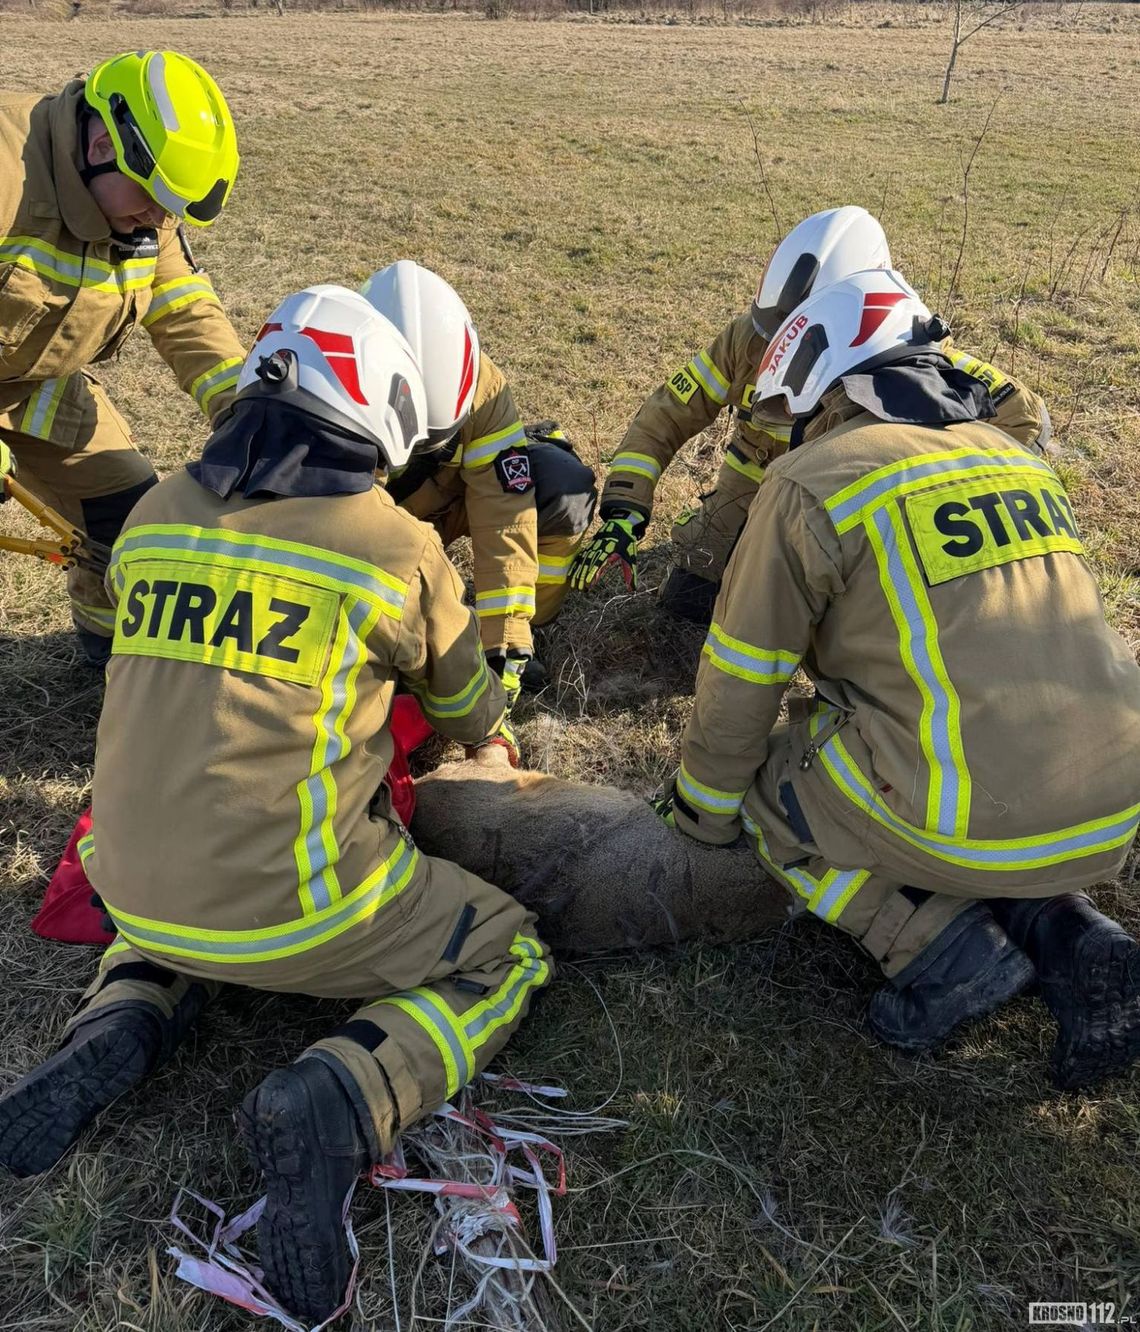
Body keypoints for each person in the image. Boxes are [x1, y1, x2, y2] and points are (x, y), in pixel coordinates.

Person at [0, 286, 551, 1325]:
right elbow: (468, 709)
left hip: (126, 889)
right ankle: (347, 1093)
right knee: (507, 952)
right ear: (380, 411)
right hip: (305, 912)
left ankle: (123, 1012)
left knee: (173, 886)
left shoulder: (155, 511)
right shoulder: (396, 547)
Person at [653, 267, 1140, 1089]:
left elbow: (744, 673)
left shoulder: (815, 482)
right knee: (977, 773)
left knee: (775, 783)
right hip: (1111, 810)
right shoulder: (1014, 456)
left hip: (965, 812)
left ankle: (942, 952)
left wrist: (702, 808)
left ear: (821, 384)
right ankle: (1072, 930)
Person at [569, 207, 1052, 624]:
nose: (777, 346)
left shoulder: (912, 356)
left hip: (841, 527)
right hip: (747, 499)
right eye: (775, 328)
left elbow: (1024, 419)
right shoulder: (746, 340)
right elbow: (667, 415)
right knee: (688, 604)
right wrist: (623, 512)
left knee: (817, 627)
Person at [0, 49, 245, 663]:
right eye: (156, 195)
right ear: (104, 143)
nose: (163, 218)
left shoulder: (142, 212)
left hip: (31, 382)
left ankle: (111, 652)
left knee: (126, 508)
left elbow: (184, 307)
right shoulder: (7, 168)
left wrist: (249, 412)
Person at [361, 261, 597, 694]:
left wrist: (505, 638)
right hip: (381, 521)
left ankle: (531, 631)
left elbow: (505, 507)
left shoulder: (482, 387)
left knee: (564, 491)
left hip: (453, 498)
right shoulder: (333, 382)